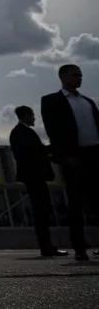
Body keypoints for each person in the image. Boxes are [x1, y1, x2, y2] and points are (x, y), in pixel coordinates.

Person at [40, 64, 99, 261]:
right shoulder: (51, 101)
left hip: (94, 154)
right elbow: (52, 130)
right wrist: (64, 156)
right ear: (63, 76)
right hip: (73, 156)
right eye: (75, 75)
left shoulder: (88, 102)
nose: (79, 78)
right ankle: (80, 248)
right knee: (75, 204)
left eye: (81, 75)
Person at [9, 105, 67, 257]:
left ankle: (46, 246)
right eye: (32, 115)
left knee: (42, 211)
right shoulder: (22, 133)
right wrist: (51, 150)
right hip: (34, 177)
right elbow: (32, 153)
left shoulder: (20, 132)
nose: (34, 118)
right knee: (41, 211)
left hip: (33, 176)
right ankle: (46, 246)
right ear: (26, 115)